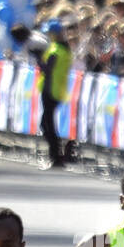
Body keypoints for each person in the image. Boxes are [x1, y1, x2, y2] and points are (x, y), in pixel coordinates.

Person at [40, 20, 72, 168]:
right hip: (56, 89)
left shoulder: (56, 50)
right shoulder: (62, 49)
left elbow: (47, 69)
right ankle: (56, 155)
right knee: (47, 124)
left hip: (51, 89)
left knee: (48, 125)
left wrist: (37, 59)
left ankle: (56, 156)